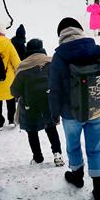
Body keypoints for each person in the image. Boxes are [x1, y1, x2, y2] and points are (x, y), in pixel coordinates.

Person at [49, 17, 100, 200]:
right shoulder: (96, 50)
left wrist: (53, 114)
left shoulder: (59, 57)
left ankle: (77, 176)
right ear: (80, 30)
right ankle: (99, 191)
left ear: (61, 36)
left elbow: (54, 89)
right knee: (94, 148)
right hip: (96, 110)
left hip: (70, 114)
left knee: (73, 145)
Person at [10, 39, 64, 167]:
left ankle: (38, 157)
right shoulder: (51, 63)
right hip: (48, 102)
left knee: (32, 131)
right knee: (51, 128)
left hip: (30, 105)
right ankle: (57, 155)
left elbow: (14, 91)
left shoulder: (23, 67)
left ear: (28, 50)